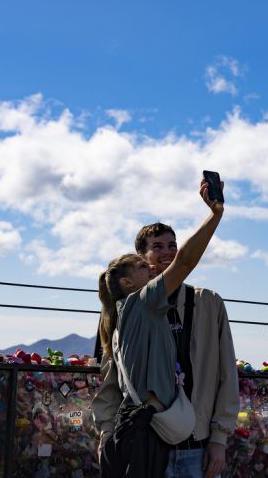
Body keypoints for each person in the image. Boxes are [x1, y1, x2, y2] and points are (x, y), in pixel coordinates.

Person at [93, 178, 224, 476]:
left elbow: (224, 372)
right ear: (128, 282)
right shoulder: (143, 301)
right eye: (143, 265)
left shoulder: (126, 313)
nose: (154, 266)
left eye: (172, 245)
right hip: (155, 438)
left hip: (164, 440)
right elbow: (185, 262)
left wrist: (220, 435)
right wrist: (215, 215)